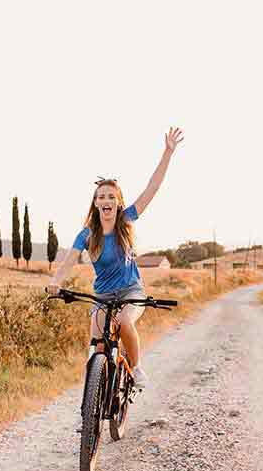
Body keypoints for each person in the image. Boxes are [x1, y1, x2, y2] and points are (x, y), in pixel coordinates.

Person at [45, 128, 184, 390]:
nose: (106, 200)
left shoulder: (127, 220)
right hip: (103, 295)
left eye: (111, 196)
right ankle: (88, 410)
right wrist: (56, 281)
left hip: (131, 291)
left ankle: (136, 366)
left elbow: (152, 187)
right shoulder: (87, 234)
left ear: (118, 203)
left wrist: (167, 152)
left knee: (123, 322)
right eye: (101, 197)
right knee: (95, 349)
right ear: (95, 204)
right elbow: (68, 262)